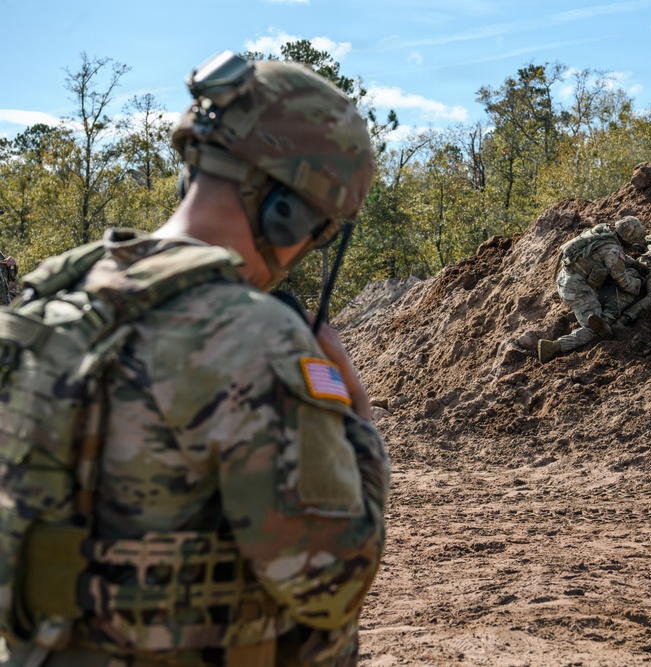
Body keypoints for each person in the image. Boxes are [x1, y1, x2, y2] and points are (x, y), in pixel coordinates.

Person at [0, 53, 388, 667]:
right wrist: (358, 423)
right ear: (290, 212)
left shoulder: (45, 303)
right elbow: (330, 586)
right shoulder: (252, 336)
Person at [537, 216, 644, 363]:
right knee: (599, 329)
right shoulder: (613, 250)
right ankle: (553, 347)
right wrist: (639, 284)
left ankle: (581, 311)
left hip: (566, 279)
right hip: (577, 290)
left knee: (605, 283)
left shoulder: (603, 231)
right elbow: (624, 282)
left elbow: (611, 256)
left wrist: (634, 264)